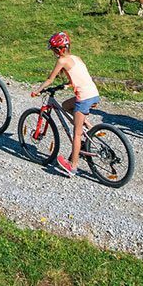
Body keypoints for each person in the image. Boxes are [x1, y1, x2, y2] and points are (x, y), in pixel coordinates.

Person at [31, 32, 99, 177]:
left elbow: (50, 80)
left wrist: (38, 91)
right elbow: (80, 75)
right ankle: (90, 127)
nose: (53, 52)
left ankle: (72, 167)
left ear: (59, 49)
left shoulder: (62, 61)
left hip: (84, 98)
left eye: (54, 50)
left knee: (76, 133)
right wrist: (68, 84)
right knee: (66, 105)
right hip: (93, 93)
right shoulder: (76, 57)